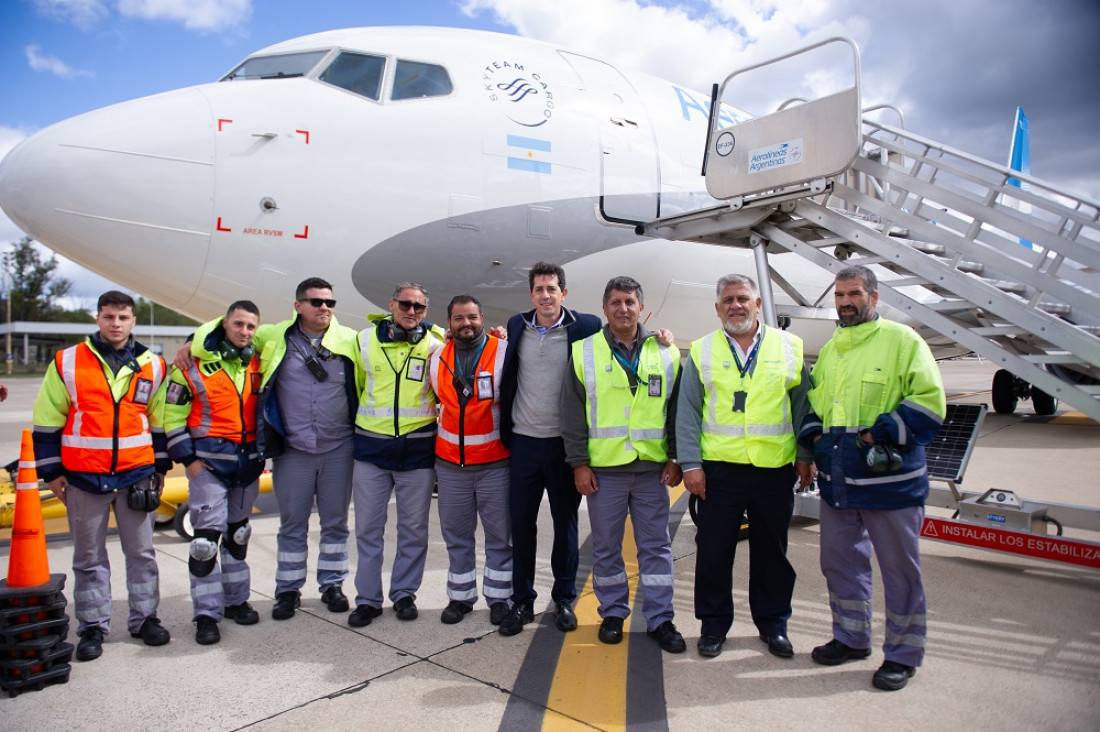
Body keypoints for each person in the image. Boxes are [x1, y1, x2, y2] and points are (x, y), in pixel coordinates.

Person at [799, 264, 946, 692]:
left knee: (900, 572)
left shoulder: (903, 341)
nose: (846, 302)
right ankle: (851, 638)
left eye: (854, 295)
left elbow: (929, 403)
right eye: (840, 296)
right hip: (839, 483)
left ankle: (902, 655)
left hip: (891, 485)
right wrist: (813, 441)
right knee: (840, 564)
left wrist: (875, 434)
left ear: (874, 297)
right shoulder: (831, 350)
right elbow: (816, 407)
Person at [676, 274, 815, 659]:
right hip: (720, 470)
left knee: (773, 552)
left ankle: (774, 625)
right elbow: (687, 411)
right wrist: (690, 463)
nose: (736, 306)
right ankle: (713, 625)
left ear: (757, 304)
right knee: (714, 551)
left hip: (774, 468)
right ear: (717, 309)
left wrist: (805, 454)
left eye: (743, 299)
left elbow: (803, 407)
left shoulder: (789, 347)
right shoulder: (702, 350)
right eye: (728, 300)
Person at [32, 290, 171, 661]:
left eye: (123, 317)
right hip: (83, 477)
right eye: (109, 317)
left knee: (141, 552)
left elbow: (158, 421)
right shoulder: (67, 361)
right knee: (88, 557)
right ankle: (93, 626)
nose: (116, 324)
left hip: (136, 475)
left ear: (133, 321)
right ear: (97, 319)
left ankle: (145, 620)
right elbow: (48, 420)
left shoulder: (153, 365)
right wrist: (50, 471)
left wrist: (159, 469)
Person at [560, 276, 686, 652]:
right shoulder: (584, 351)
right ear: (605, 309)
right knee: (606, 548)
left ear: (641, 308)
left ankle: (661, 619)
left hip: (651, 470)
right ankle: (613, 613)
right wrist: (579, 464)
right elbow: (571, 413)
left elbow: (676, 411)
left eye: (629, 301)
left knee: (656, 547)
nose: (623, 308)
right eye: (615, 302)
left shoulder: (665, 351)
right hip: (605, 472)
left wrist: (676, 457)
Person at [496, 262, 601, 636]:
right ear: (531, 294)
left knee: (565, 525)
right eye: (539, 289)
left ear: (564, 293)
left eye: (552, 289)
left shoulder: (586, 327)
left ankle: (564, 598)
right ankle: (522, 600)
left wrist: (659, 336)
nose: (545, 295)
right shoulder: (516, 326)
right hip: (523, 443)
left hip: (562, 446)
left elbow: (627, 334)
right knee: (521, 526)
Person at [252, 278, 360, 620]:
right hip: (294, 450)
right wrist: (188, 344)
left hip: (338, 447)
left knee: (335, 523)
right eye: (315, 301)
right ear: (298, 305)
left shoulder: (350, 340)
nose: (324, 307)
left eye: (329, 302)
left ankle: (332, 585)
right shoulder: (275, 336)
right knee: (292, 524)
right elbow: (228, 327)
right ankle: (287, 590)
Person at [163, 301, 265, 645]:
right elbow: (172, 416)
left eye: (251, 327)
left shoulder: (258, 362)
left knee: (238, 537)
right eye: (238, 324)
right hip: (207, 465)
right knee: (205, 543)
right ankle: (206, 614)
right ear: (224, 324)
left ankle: (236, 601)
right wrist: (187, 460)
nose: (244, 332)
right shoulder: (192, 365)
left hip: (247, 462)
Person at [348, 282, 445, 626]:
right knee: (368, 529)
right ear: (391, 304)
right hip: (372, 450)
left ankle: (404, 594)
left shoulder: (437, 346)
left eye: (419, 307)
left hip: (417, 452)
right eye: (405, 304)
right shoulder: (362, 341)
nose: (411, 311)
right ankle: (367, 599)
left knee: (414, 530)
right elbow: (354, 389)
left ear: (425, 312)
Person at [428, 295, 512, 625]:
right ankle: (460, 598)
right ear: (449, 323)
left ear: (482, 317)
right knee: (457, 537)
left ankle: (499, 597)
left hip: (495, 464)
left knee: (500, 538)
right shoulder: (437, 358)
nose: (467, 324)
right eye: (459, 318)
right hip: (451, 468)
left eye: (473, 317)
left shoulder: (503, 351)